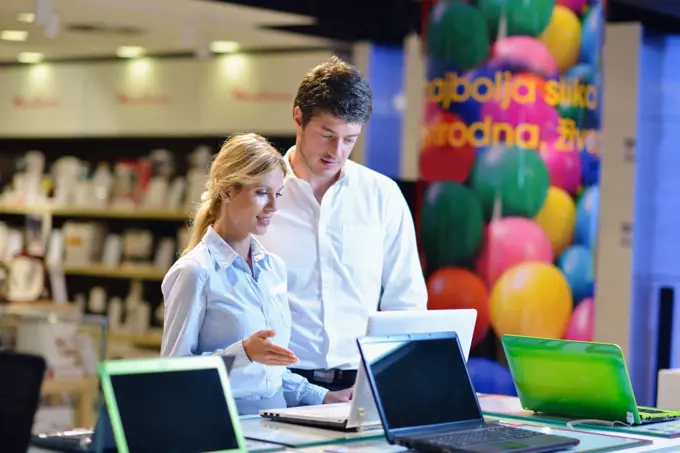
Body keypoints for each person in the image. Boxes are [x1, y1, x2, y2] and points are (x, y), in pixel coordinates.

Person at [257, 57, 428, 398]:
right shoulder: (258, 193)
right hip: (276, 383)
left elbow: (406, 301)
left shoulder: (382, 195)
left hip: (361, 384)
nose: (337, 151)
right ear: (298, 118)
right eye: (327, 135)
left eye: (350, 139)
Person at [160, 133, 344, 414]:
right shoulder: (195, 272)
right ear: (228, 191)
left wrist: (324, 397)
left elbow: (272, 377)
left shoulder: (274, 269)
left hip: (276, 424)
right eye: (261, 193)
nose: (273, 207)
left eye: (277, 194)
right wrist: (242, 352)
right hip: (222, 425)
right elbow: (174, 375)